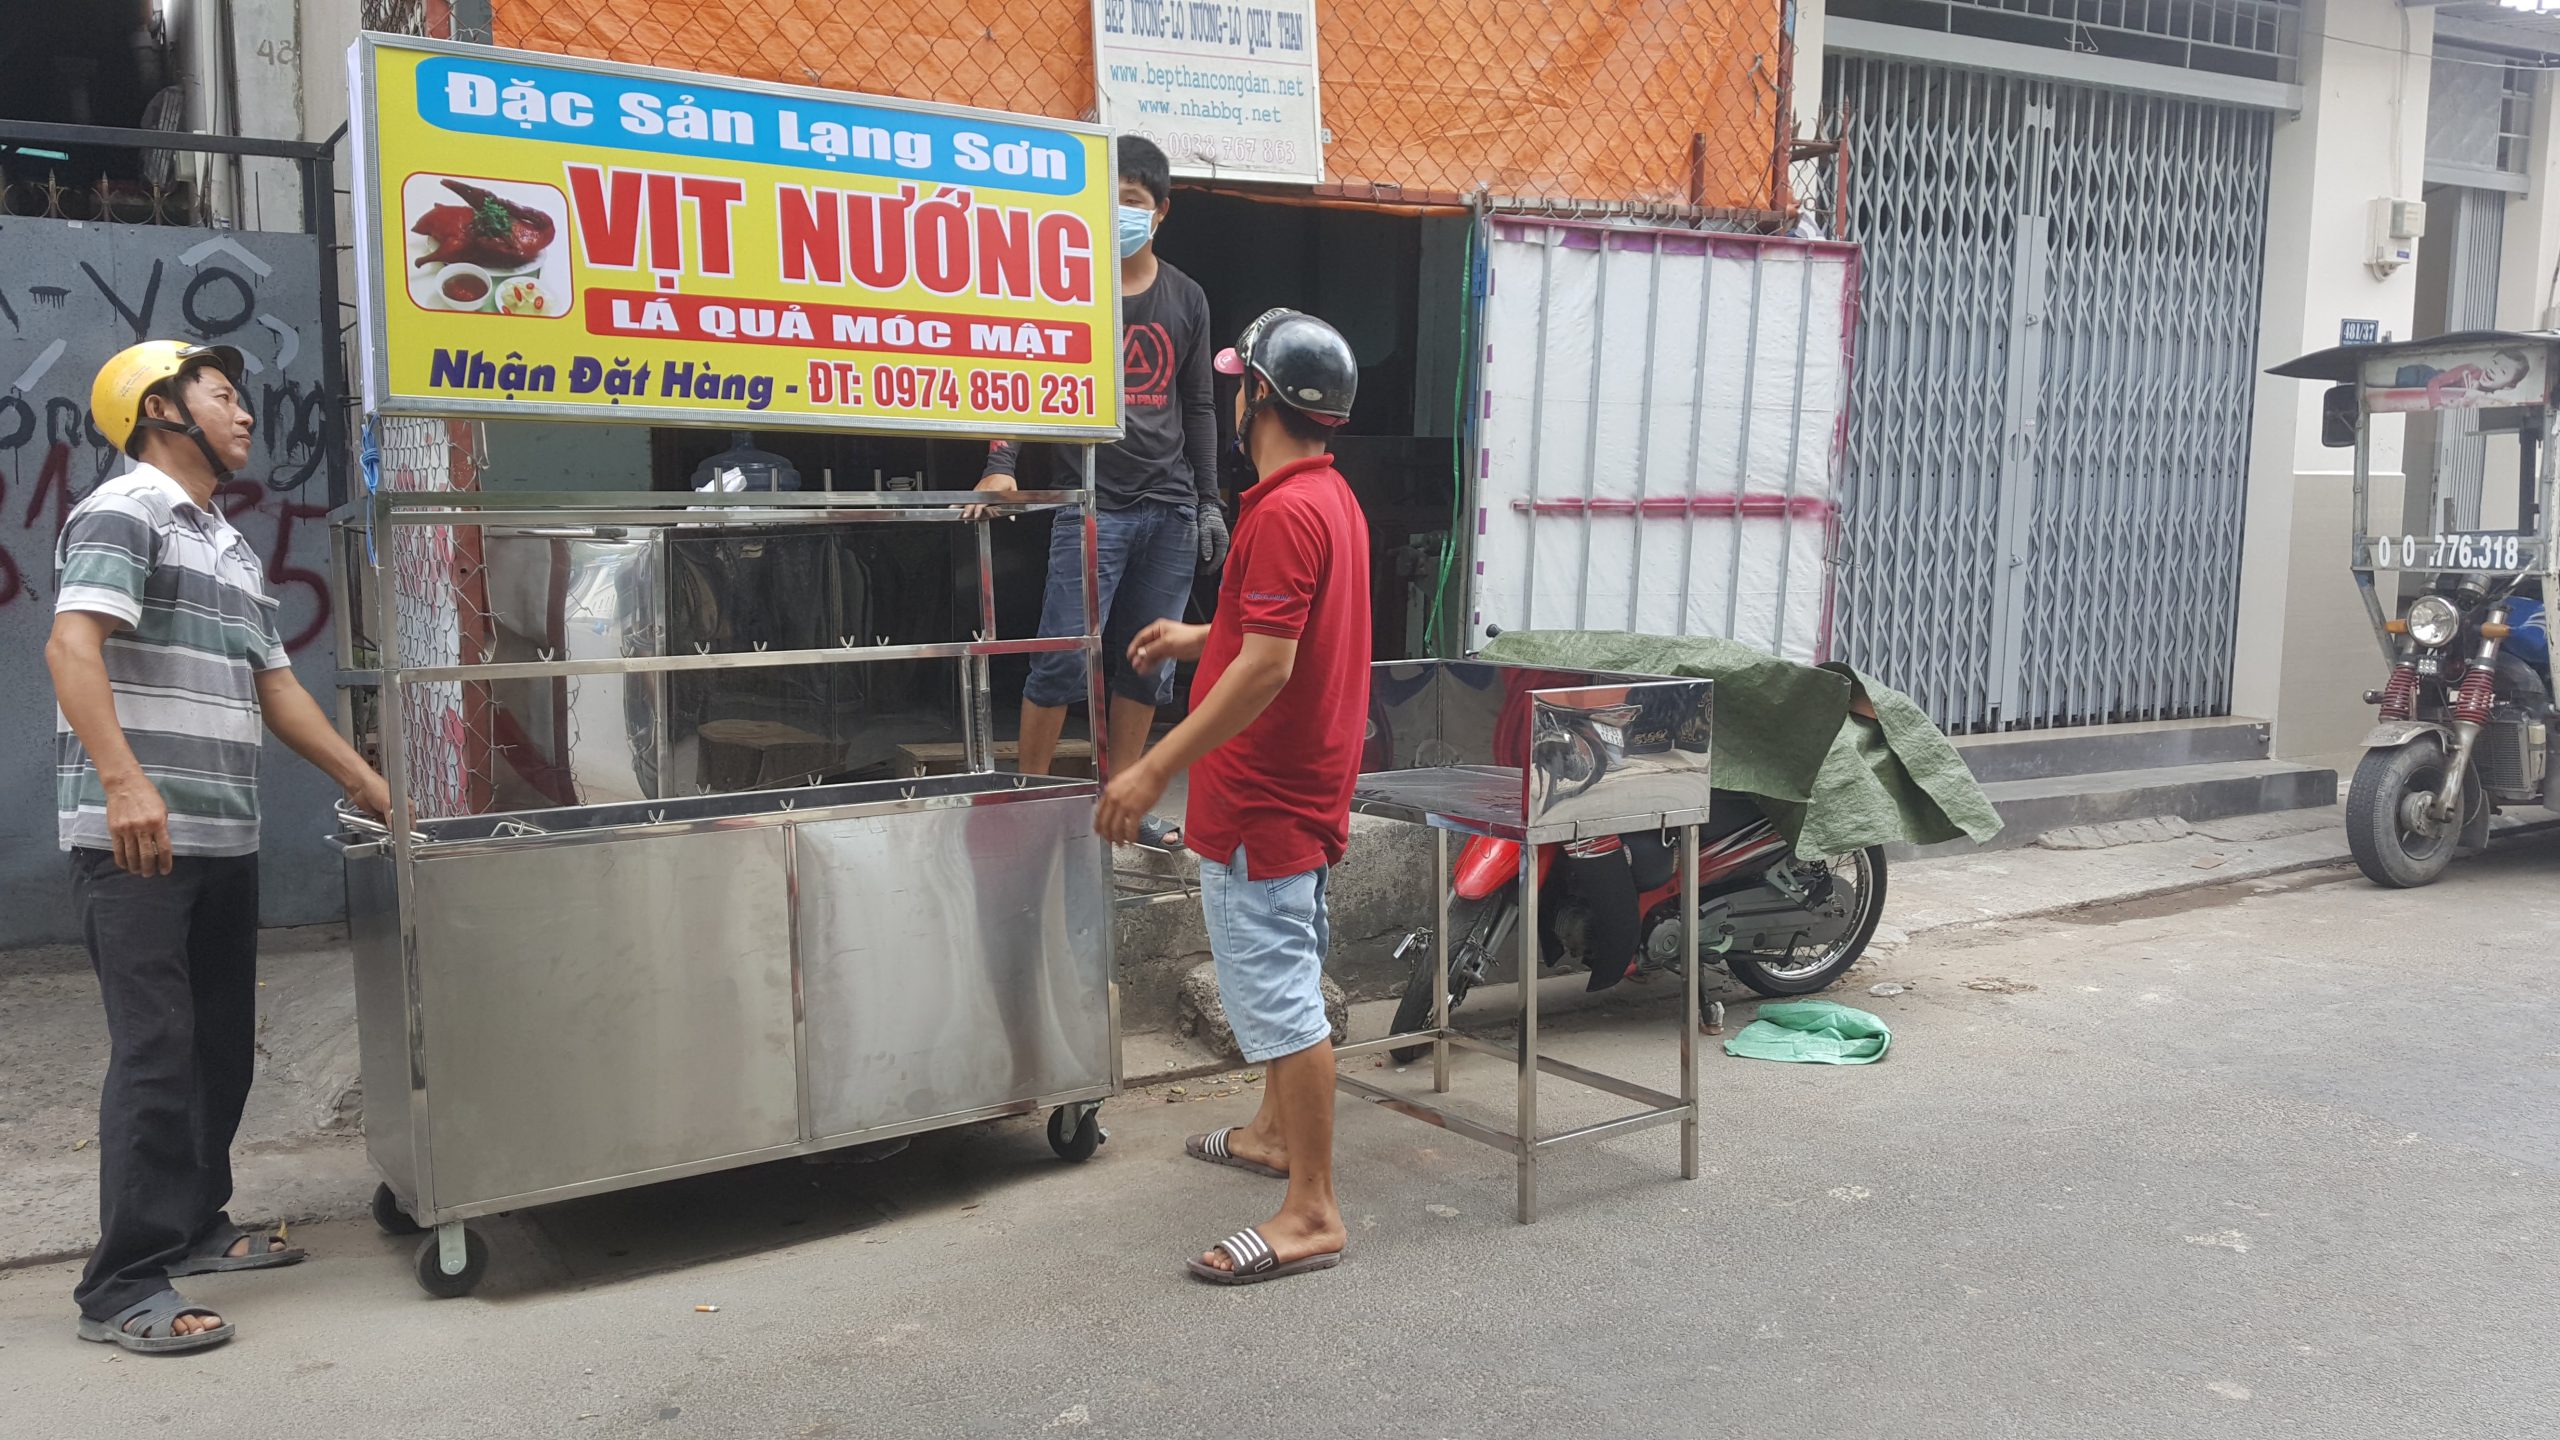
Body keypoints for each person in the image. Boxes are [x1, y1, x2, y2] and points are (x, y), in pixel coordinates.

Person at [45, 341, 393, 1354]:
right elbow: (72, 643)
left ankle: (193, 1225)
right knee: (156, 1054)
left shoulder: (230, 545)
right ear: (161, 410)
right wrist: (123, 782)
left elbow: (275, 688)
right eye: (223, 397)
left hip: (220, 832)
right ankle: (120, 1284)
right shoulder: (126, 509)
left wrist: (369, 784)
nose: (246, 415)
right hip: (135, 835)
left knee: (215, 1048)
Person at [1096, 309, 1369, 1284]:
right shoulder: (1323, 497)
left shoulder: (1287, 513)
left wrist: (1151, 765)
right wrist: (1193, 636)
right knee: (1283, 977)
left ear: (1259, 397)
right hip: (1296, 793)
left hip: (1262, 803)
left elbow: (1267, 666)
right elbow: (1269, 632)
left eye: (1238, 385)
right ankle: (1270, 1134)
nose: (1233, 399)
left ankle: (1312, 1210)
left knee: (1284, 1002)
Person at [970, 135, 1220, 846]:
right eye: (1107, 202)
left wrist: (1209, 501)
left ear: (1161, 211)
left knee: (1148, 662)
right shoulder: (1067, 291)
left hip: (1169, 508)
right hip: (1091, 506)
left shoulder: (1187, 298)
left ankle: (1123, 804)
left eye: (1132, 202)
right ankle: (1030, 805)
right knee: (1058, 659)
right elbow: (1024, 373)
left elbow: (1199, 405)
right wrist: (1002, 460)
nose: (1119, 214)